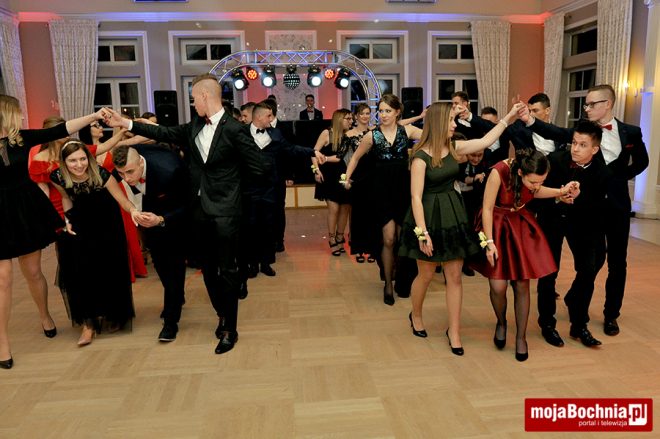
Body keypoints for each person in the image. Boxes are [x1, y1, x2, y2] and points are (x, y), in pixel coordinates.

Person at [104, 73, 270, 355]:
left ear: (205, 96)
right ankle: (222, 313)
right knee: (208, 270)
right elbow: (164, 133)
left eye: (194, 99)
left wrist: (233, 194)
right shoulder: (195, 125)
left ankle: (230, 329)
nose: (193, 104)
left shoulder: (234, 129)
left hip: (226, 213)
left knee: (228, 271)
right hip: (198, 213)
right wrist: (126, 123)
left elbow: (260, 168)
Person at [519, 84, 649, 336]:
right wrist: (530, 120)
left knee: (614, 262)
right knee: (582, 261)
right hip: (580, 209)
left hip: (615, 205)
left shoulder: (630, 132)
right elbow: (554, 131)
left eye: (591, 104)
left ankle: (611, 315)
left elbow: (642, 161)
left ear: (607, 104)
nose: (586, 108)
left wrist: (619, 178)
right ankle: (558, 318)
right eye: (586, 104)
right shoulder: (579, 135)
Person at [399, 102, 523, 356]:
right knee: (425, 274)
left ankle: (454, 331)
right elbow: (415, 197)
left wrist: (509, 117)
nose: (454, 125)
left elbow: (486, 140)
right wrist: (422, 233)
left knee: (454, 276)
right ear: (438, 123)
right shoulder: (420, 157)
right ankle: (416, 315)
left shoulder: (454, 147)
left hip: (451, 212)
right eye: (450, 120)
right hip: (427, 216)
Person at [0, 94, 110, 369]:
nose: (21, 117)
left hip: (23, 210)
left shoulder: (21, 138)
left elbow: (61, 130)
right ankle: (2, 342)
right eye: (16, 112)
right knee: (3, 278)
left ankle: (44, 315)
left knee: (33, 271)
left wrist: (94, 116)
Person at [472, 149, 580, 362]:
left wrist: (561, 191)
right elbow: (487, 208)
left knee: (522, 284)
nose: (536, 186)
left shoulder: (533, 180)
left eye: (541, 181)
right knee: (498, 286)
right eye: (533, 182)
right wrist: (490, 243)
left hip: (519, 224)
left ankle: (521, 337)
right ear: (520, 172)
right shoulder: (499, 171)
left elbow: (536, 192)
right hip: (496, 225)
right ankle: (501, 322)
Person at [50, 141, 139, 346]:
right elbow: (66, 198)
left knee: (108, 269)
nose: (79, 164)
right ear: (64, 162)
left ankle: (114, 314)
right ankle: (88, 324)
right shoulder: (58, 177)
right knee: (80, 272)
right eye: (73, 160)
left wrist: (133, 210)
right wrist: (67, 220)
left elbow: (121, 200)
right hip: (79, 225)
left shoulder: (101, 174)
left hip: (107, 225)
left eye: (83, 159)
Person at [536, 120, 611, 348]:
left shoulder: (602, 172)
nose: (575, 149)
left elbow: (599, 208)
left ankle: (579, 325)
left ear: (594, 149)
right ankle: (547, 324)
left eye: (582, 145)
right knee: (549, 273)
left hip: (583, 224)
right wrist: (558, 196)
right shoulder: (554, 160)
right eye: (574, 143)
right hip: (552, 220)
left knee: (587, 270)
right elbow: (536, 192)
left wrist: (579, 198)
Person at [344, 94, 423, 305]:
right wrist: (347, 177)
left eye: (388, 110)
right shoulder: (372, 135)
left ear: (397, 112)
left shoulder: (408, 131)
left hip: (403, 189)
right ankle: (388, 283)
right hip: (381, 191)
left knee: (402, 238)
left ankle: (401, 278)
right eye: (380, 111)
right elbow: (355, 157)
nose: (383, 114)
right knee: (388, 238)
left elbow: (433, 136)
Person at [113, 145, 189, 342]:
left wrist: (162, 219)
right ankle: (177, 296)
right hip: (149, 215)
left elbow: (188, 205)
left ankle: (171, 322)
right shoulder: (123, 165)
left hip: (175, 217)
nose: (126, 178)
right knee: (160, 263)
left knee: (174, 268)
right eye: (121, 173)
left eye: (130, 172)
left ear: (141, 162)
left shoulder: (170, 170)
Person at [243, 102, 324, 277]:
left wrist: (312, 152)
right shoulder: (241, 133)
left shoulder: (276, 133)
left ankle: (266, 263)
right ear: (259, 117)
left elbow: (291, 149)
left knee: (268, 227)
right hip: (249, 189)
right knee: (251, 227)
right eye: (268, 116)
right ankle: (252, 264)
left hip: (270, 188)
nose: (271, 119)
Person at [79, 121, 147, 281]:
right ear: (87, 130)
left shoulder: (111, 145)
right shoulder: (82, 152)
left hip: (117, 191)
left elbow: (139, 139)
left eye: (100, 125)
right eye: (96, 125)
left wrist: (135, 125)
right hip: (97, 196)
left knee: (126, 229)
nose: (101, 128)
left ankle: (131, 268)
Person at [312, 109, 353, 256]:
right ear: (339, 119)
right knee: (334, 209)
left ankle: (340, 237)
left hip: (344, 174)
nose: (351, 121)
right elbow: (314, 153)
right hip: (328, 175)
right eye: (348, 118)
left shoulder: (349, 135)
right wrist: (316, 170)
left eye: (351, 118)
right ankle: (331, 238)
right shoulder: (326, 133)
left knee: (345, 208)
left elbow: (342, 157)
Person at [345, 103, 376, 264]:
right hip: (357, 176)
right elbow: (345, 157)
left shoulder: (375, 131)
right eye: (362, 113)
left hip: (374, 175)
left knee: (372, 213)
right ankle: (358, 249)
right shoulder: (349, 134)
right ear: (356, 116)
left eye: (367, 113)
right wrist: (347, 177)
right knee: (357, 214)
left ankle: (372, 249)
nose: (365, 116)